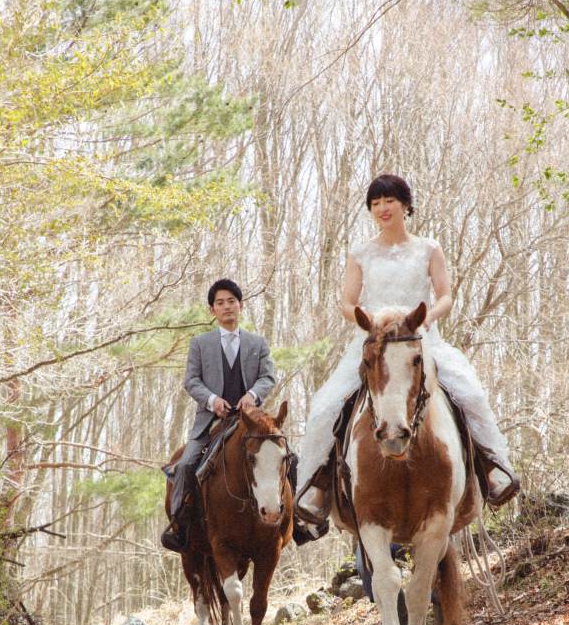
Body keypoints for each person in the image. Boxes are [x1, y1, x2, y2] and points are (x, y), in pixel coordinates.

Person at [295, 174, 520, 524]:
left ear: (405, 205)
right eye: (375, 203)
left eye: (389, 201)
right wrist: (369, 321)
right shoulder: (360, 253)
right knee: (325, 405)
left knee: (470, 394)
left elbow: (445, 296)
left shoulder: (428, 248)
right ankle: (317, 487)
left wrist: (426, 319)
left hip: (421, 339)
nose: (383, 209)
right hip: (373, 343)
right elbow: (346, 302)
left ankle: (493, 470)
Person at [161, 278, 275, 553]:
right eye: (220, 303)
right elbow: (192, 381)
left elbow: (267, 377)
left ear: (241, 306)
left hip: (250, 420)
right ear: (212, 310)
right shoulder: (200, 343)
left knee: (288, 456)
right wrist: (213, 400)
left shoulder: (257, 343)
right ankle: (179, 524)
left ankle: (300, 522)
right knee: (187, 464)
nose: (227, 307)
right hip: (212, 419)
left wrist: (253, 396)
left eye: (231, 302)